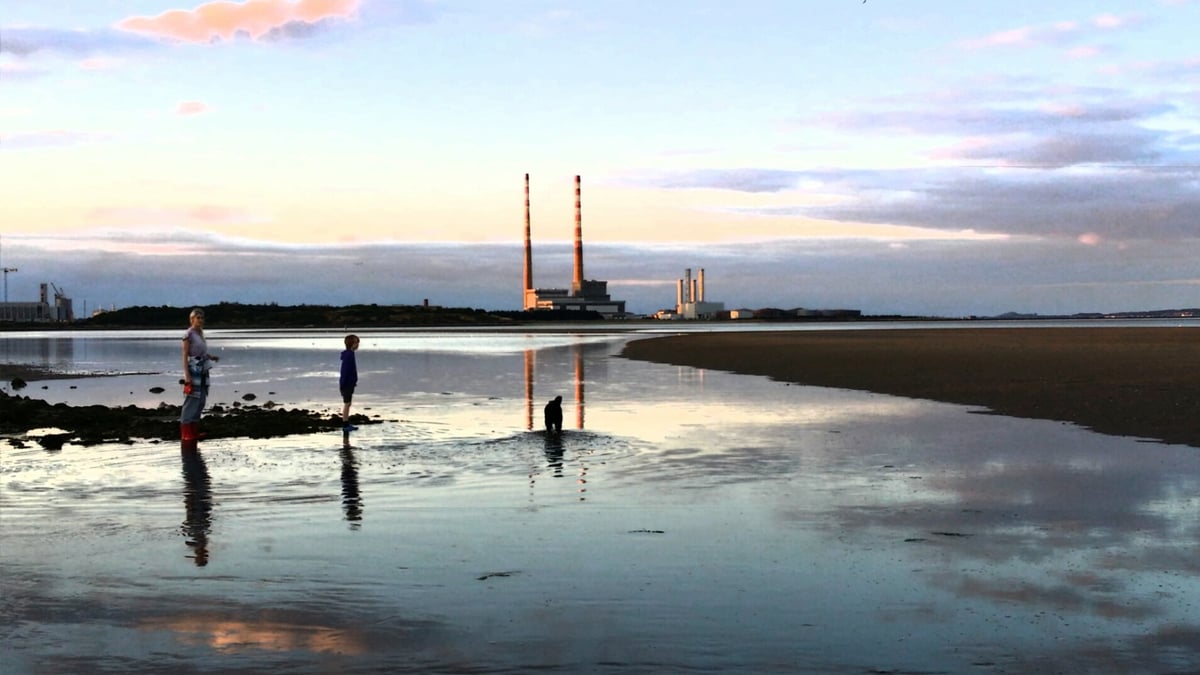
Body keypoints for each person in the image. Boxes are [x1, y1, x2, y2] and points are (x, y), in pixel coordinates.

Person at [181, 308, 219, 445]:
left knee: (201, 399)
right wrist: (187, 376)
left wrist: (211, 357)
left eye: (202, 318)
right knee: (191, 400)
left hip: (203, 368)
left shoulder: (200, 334)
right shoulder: (188, 334)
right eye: (198, 318)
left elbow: (201, 352)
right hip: (193, 369)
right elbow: (185, 355)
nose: (200, 320)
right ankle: (186, 433)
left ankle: (194, 431)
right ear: (192, 319)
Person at [340, 334, 360, 432]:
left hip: (349, 383)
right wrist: (344, 383)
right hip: (346, 383)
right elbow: (345, 370)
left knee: (348, 403)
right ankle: (345, 424)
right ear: (352, 344)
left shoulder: (350, 354)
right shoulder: (349, 355)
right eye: (356, 342)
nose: (358, 345)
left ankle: (346, 422)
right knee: (347, 403)